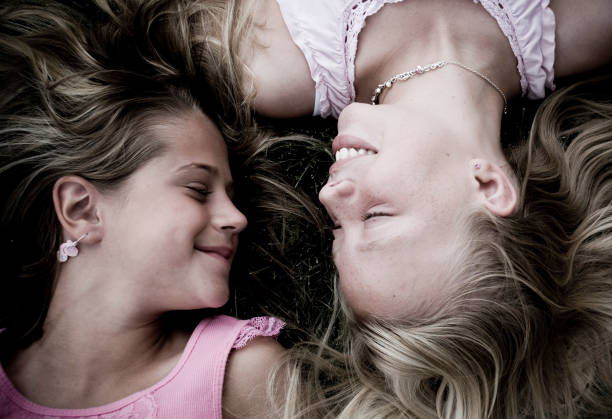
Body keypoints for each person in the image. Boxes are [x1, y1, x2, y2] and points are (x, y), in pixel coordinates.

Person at [185, 0, 612, 416]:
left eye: (337, 228)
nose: (329, 196)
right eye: (375, 217)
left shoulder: (269, 63)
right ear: (488, 185)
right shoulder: (585, 21)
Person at [0, 1, 301, 417]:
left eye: (231, 195)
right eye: (198, 189)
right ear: (82, 210)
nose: (237, 218)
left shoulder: (238, 376)